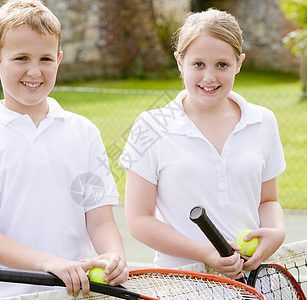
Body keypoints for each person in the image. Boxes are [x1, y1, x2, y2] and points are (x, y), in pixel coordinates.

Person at [0, 1, 128, 299]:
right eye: (21, 58)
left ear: (58, 59)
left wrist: (114, 257)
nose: (34, 71)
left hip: (71, 293)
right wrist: (51, 263)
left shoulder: (84, 133)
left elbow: (100, 220)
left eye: (45, 59)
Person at [119, 9, 286, 279]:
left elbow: (268, 200)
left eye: (222, 65)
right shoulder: (150, 126)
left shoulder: (263, 121)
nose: (209, 77)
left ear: (239, 63)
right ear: (179, 62)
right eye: (198, 64)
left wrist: (276, 232)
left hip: (253, 280)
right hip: (183, 283)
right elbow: (139, 220)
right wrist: (205, 253)